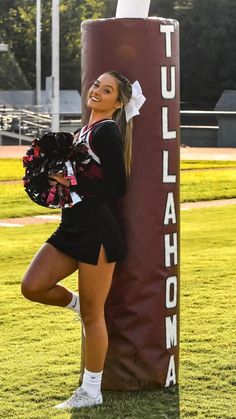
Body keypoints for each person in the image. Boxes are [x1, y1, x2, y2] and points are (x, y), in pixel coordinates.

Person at [21, 71, 145, 410]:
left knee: (95, 315)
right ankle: (76, 304)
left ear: (118, 103)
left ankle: (92, 391)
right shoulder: (85, 130)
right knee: (32, 286)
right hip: (71, 226)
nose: (97, 91)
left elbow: (117, 187)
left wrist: (70, 181)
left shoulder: (106, 130)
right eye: (96, 85)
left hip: (96, 231)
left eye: (107, 91)